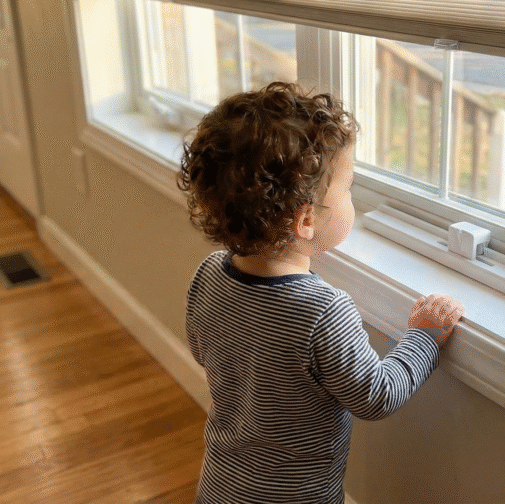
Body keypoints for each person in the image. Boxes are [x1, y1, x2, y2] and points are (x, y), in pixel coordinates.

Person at [176, 81, 465, 504]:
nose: (352, 198)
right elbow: (377, 395)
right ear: (305, 221)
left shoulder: (208, 276)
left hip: (221, 487)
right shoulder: (321, 312)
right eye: (347, 188)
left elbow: (204, 350)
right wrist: (423, 337)